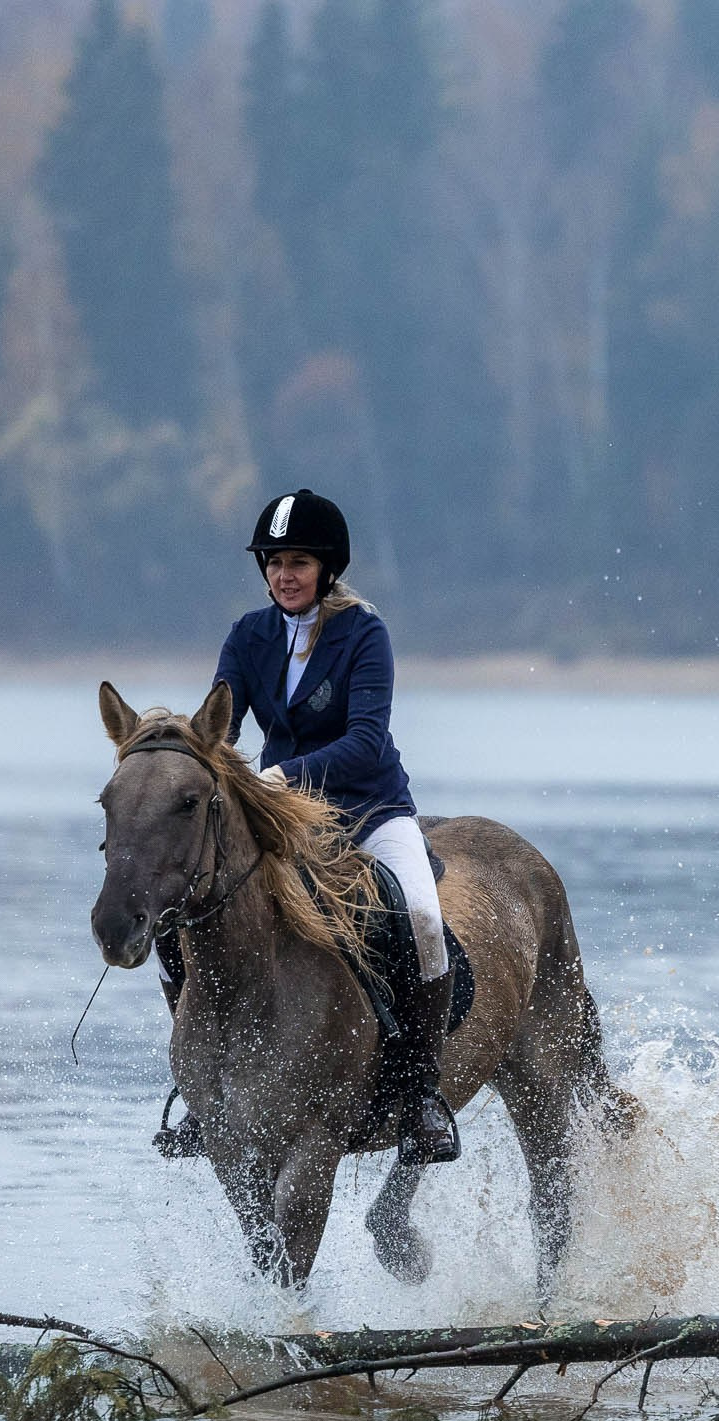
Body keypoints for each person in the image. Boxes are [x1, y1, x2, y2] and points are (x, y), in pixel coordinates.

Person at [190, 487, 460, 1162]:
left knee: (423, 922)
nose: (284, 573)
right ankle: (203, 1085)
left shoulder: (364, 634)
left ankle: (420, 1091)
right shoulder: (246, 636)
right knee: (188, 901)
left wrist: (278, 776)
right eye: (275, 560)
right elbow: (218, 729)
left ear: (326, 567)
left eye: (299, 561)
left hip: (370, 810)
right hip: (287, 821)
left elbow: (367, 742)